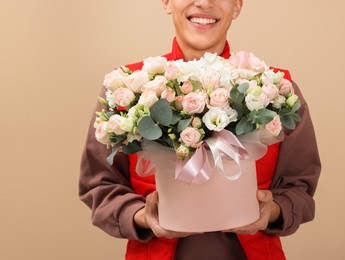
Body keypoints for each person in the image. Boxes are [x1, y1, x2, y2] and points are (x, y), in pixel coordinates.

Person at [79, 0, 321, 259]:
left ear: (237, 6)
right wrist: (141, 216)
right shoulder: (127, 88)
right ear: (167, 2)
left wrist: (271, 210)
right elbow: (99, 185)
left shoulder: (276, 92)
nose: (204, 2)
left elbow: (300, 188)